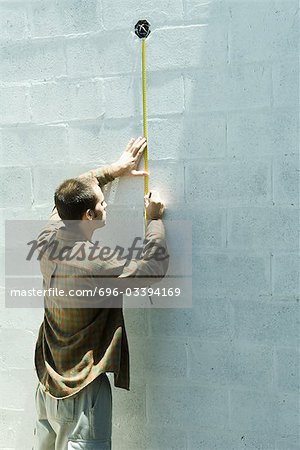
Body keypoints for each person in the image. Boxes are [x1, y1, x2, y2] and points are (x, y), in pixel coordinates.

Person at [33, 136, 169, 450]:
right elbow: (153, 268)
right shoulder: (96, 262)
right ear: (88, 217)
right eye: (102, 203)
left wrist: (114, 169)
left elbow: (75, 188)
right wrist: (154, 219)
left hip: (46, 386)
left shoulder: (46, 238)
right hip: (82, 391)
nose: (106, 204)